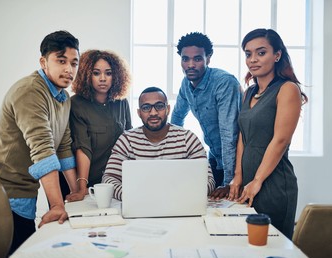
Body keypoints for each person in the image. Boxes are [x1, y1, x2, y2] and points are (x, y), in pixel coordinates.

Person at [0, 30, 81, 256]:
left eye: (74, 63)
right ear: (44, 62)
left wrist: (76, 193)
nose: (68, 69)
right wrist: (56, 206)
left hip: (24, 190)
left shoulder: (63, 98)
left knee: (24, 256)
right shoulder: (30, 91)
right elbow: (43, 150)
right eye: (61, 61)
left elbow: (62, 148)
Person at [212, 28, 308, 239]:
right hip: (247, 182)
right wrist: (237, 177)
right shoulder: (249, 93)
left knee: (272, 250)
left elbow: (281, 140)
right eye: (248, 54)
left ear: (277, 55)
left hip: (273, 185)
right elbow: (242, 138)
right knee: (244, 245)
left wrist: (257, 180)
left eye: (261, 53)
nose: (253, 59)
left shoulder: (287, 89)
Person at [102, 86, 215, 200]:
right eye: (146, 108)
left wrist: (179, 195)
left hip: (179, 204)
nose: (153, 113)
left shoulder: (187, 139)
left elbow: (208, 180)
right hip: (139, 205)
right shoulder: (127, 140)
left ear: (168, 109)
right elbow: (109, 179)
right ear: (139, 113)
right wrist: (133, 196)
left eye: (159, 106)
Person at [171, 32, 243, 188]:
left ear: (208, 58)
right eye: (185, 59)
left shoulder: (224, 82)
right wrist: (174, 159)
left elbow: (228, 134)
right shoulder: (186, 84)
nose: (190, 65)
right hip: (215, 159)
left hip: (239, 165)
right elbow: (176, 119)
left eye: (197, 58)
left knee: (232, 208)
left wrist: (228, 184)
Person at [60, 49, 132, 202]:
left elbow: (129, 142)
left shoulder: (122, 102)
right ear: (87, 75)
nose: (103, 79)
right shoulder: (76, 104)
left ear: (116, 76)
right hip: (84, 180)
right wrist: (81, 187)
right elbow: (82, 148)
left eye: (108, 73)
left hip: (113, 182)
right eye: (96, 73)